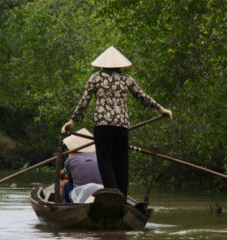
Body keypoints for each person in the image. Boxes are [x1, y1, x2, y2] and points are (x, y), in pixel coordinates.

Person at [61, 46, 172, 199]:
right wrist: (161, 109)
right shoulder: (126, 79)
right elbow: (143, 97)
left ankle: (113, 195)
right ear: (120, 65)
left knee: (105, 160)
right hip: (121, 126)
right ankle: (122, 196)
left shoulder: (96, 78)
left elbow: (84, 102)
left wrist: (72, 122)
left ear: (102, 64)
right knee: (121, 161)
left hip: (102, 125)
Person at [62, 128, 103, 203]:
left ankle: (67, 204)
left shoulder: (70, 159)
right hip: (102, 191)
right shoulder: (101, 156)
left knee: (67, 185)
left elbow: (71, 180)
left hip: (81, 194)